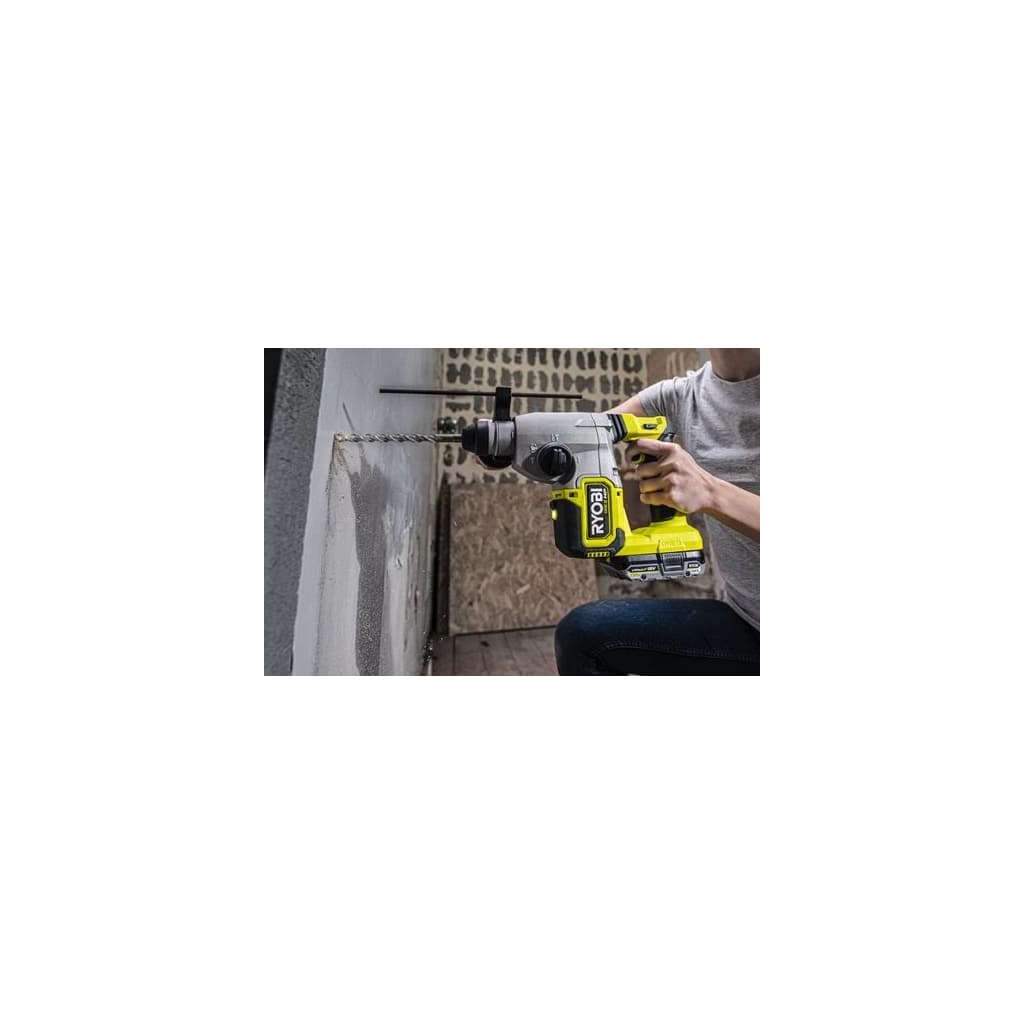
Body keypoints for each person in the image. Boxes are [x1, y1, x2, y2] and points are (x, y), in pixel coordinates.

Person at [555, 348, 760, 675]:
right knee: (583, 634)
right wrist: (511, 440)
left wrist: (709, 492)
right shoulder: (682, 395)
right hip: (750, 620)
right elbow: (587, 433)